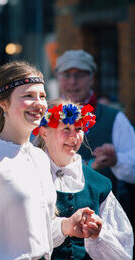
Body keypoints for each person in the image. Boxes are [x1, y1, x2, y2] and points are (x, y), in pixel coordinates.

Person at [0, 61, 101, 260]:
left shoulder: (39, 157)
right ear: (3, 103)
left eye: (42, 96)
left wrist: (68, 225)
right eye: (28, 95)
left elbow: (38, 236)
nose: (38, 103)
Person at [33, 98, 133, 260]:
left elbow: (122, 244)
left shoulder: (98, 183)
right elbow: (20, 233)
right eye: (66, 128)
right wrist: (64, 227)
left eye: (78, 129)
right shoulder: (30, 174)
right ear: (44, 132)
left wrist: (98, 235)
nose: (74, 137)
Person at [55, 49, 135, 221]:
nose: (73, 82)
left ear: (92, 78)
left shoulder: (114, 118)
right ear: (58, 77)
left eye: (80, 75)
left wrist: (116, 161)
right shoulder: (44, 117)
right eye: (67, 75)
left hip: (103, 221)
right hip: (55, 222)